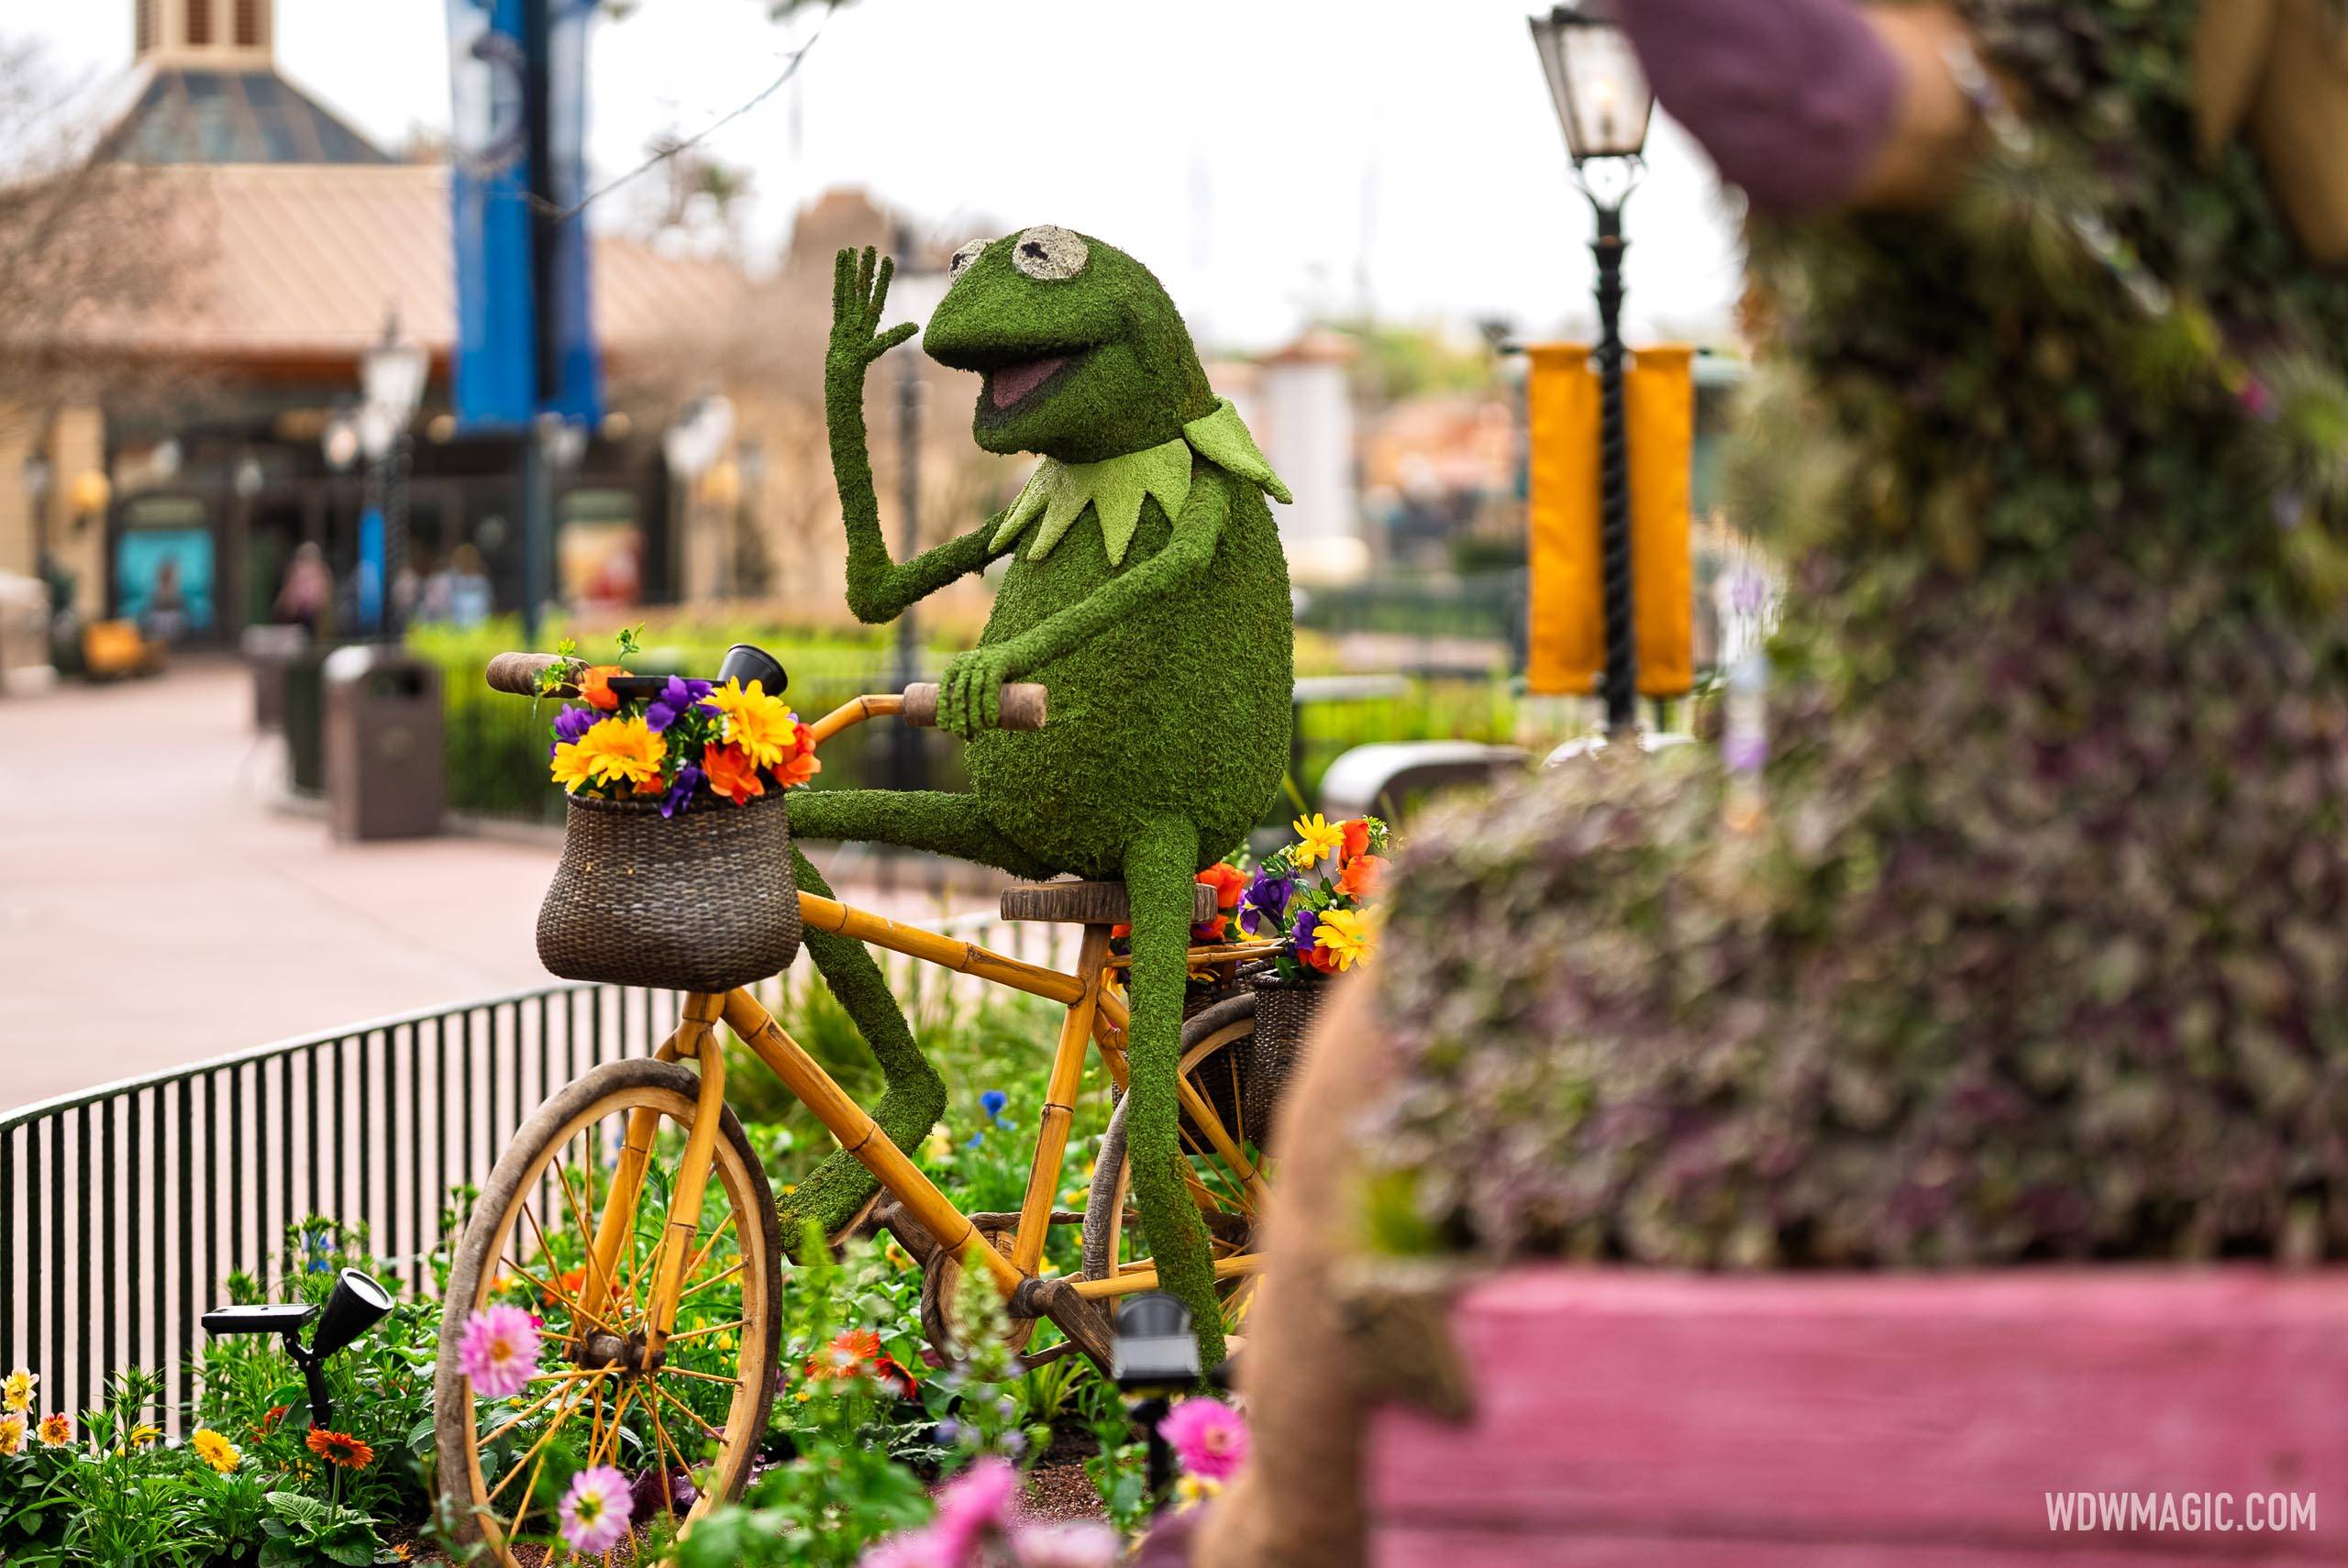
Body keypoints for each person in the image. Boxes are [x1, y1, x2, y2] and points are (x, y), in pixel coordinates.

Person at [1190, 3, 2348, 1563]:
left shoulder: (2080, 57)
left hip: (2024, 862)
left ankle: (1279, 1531)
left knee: (1450, 928)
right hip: (2242, 822)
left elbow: (1817, 93)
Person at [275, 541, 332, 638]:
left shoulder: (321, 571)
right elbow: (289, 592)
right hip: (297, 615)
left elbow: (324, 593)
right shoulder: (295, 570)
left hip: (314, 614)